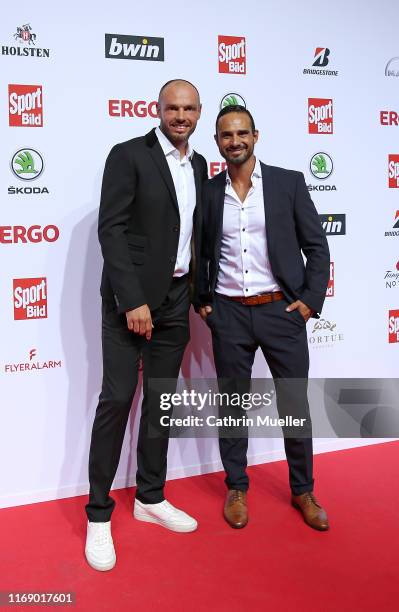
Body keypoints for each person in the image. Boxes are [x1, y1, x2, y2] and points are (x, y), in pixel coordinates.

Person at [85, 79, 207, 571]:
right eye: (172, 107)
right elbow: (110, 228)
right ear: (157, 109)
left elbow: (190, 234)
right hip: (129, 304)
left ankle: (150, 497)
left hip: (177, 299)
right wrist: (132, 299)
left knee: (161, 399)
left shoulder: (198, 164)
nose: (180, 115)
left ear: (199, 112)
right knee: (116, 400)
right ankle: (98, 515)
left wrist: (196, 294)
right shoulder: (129, 154)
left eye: (189, 108)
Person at [198, 105, 330, 531]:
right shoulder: (208, 191)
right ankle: (236, 486)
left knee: (294, 405)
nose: (234, 141)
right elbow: (198, 250)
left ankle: (303, 490)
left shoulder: (287, 183)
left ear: (255, 136)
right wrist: (203, 300)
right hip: (229, 313)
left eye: (241, 134)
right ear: (217, 141)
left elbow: (317, 245)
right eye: (225, 135)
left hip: (280, 310)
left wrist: (309, 301)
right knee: (233, 405)